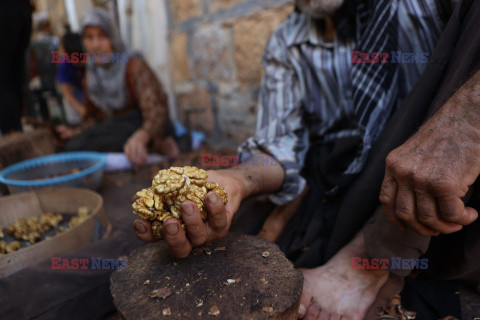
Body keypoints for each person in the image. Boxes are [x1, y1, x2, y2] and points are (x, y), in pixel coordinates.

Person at [133, 0, 467, 318]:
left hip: (422, 161)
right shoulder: (287, 39)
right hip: (335, 176)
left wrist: (457, 127)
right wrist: (237, 181)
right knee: (190, 250)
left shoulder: (417, 8)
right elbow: (279, 150)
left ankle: (368, 260)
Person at [61, 8, 179, 168]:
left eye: (102, 36)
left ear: (113, 38)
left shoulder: (132, 65)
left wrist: (141, 137)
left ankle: (158, 144)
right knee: (74, 145)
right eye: (89, 37)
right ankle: (155, 148)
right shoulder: (92, 73)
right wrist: (76, 131)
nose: (95, 45)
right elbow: (94, 118)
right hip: (115, 127)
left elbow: (156, 112)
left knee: (82, 147)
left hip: (145, 125)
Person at [0, 0, 33, 134]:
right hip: (21, 9)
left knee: (3, 80)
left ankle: (13, 132)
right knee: (14, 74)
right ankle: (15, 129)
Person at [56, 32, 86, 127]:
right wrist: (81, 109)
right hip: (77, 93)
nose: (82, 62)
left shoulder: (93, 58)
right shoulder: (64, 64)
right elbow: (67, 93)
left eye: (83, 57)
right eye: (78, 59)